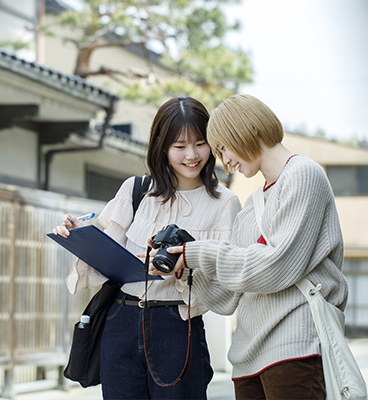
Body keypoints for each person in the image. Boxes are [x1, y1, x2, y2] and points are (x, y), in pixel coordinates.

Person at [149, 94, 348, 400]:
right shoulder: (251, 208)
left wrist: (199, 252)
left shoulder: (304, 175)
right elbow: (227, 298)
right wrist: (186, 266)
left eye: (223, 147)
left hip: (294, 348)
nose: (224, 160)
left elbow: (278, 266)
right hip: (246, 360)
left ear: (248, 129)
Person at [52, 96, 242, 400]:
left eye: (200, 143)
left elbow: (228, 287)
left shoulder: (226, 203)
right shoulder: (137, 190)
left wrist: (184, 269)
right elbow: (107, 256)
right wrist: (81, 236)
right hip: (121, 322)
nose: (191, 155)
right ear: (162, 147)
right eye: (179, 146)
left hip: (177, 327)